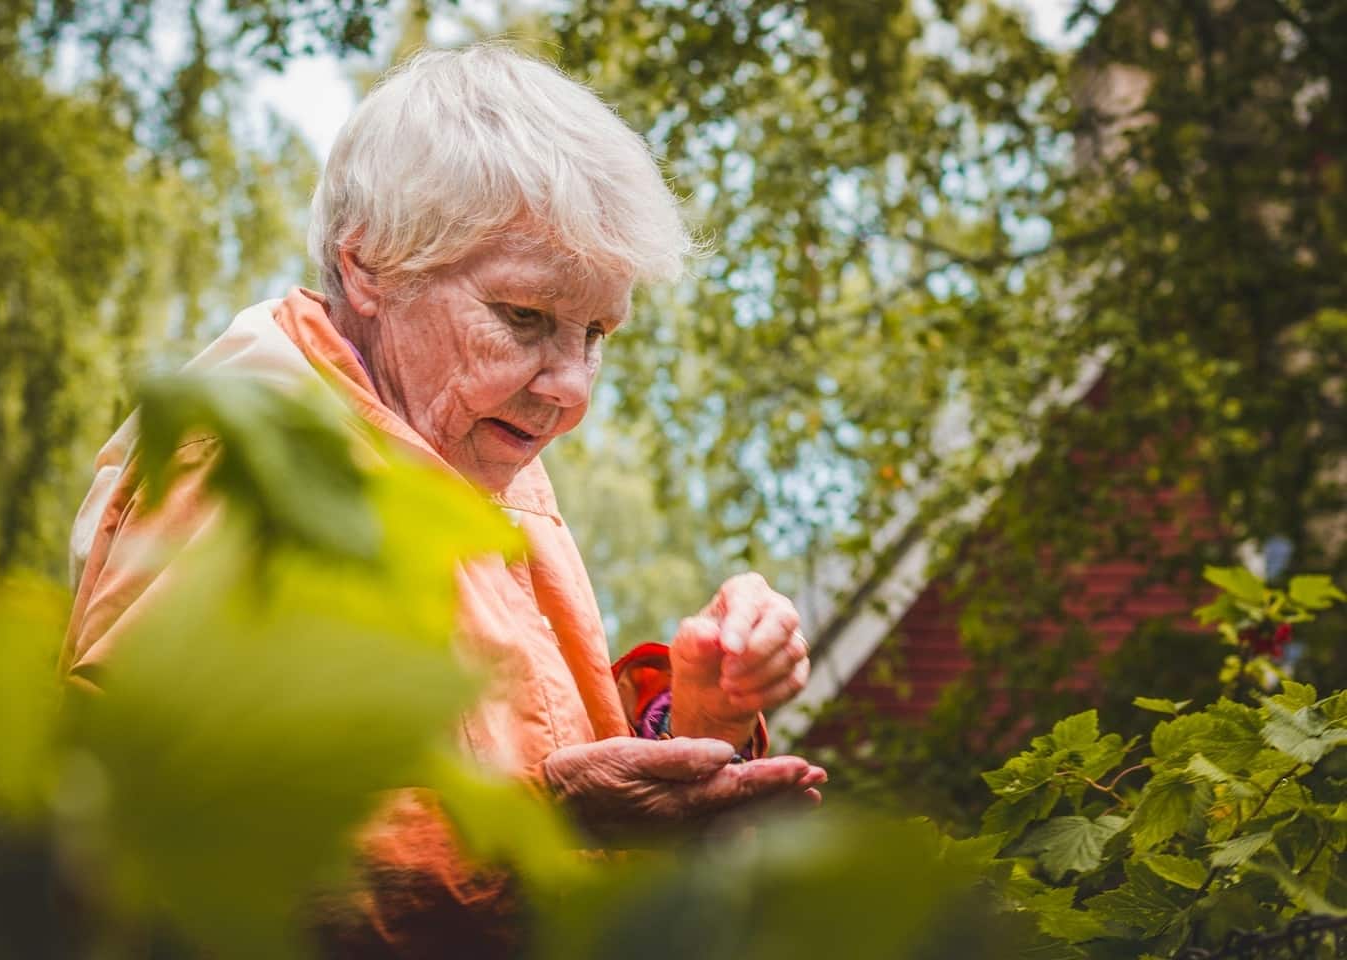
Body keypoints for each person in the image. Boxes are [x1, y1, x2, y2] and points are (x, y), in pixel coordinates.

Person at [61, 43, 826, 956]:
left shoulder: (476, 452)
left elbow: (524, 748)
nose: (572, 387)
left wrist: (697, 715)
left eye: (597, 333)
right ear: (370, 266)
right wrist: (548, 824)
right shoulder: (247, 465)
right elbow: (147, 846)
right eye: (525, 318)